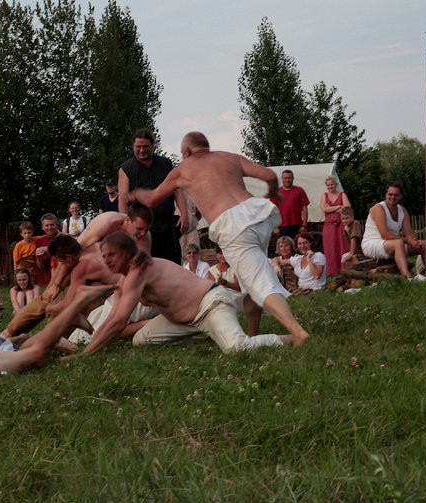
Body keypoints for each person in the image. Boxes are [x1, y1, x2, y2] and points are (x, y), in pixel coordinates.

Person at [129, 131, 309, 345]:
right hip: (258, 216)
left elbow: (152, 199)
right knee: (249, 282)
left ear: (187, 151)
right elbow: (270, 176)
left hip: (234, 226)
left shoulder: (183, 169)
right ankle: (253, 333)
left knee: (260, 283)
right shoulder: (229, 157)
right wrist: (272, 193)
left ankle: (298, 333)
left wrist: (135, 194)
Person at [84, 232, 291, 355]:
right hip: (184, 321)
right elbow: (113, 317)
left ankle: (290, 339)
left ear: (126, 252)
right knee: (141, 339)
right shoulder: (126, 278)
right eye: (104, 256)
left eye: (111, 255)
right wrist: (90, 346)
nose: (107, 260)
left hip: (210, 304)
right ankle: (206, 339)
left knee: (237, 348)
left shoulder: (139, 269)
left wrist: (87, 354)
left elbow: (119, 321)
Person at [0, 206, 154, 339]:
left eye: (146, 230)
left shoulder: (144, 240)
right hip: (76, 261)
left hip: (100, 276)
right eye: (139, 229)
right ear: (127, 220)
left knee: (82, 305)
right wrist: (57, 284)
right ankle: (9, 332)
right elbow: (74, 250)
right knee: (48, 297)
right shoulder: (107, 222)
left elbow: (137, 274)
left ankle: (58, 337)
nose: (142, 233)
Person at [118, 128, 188, 264]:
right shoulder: (126, 169)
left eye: (145, 146)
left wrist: (184, 213)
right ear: (133, 146)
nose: (142, 150)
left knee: (171, 264)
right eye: (138, 147)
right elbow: (123, 200)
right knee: (144, 265)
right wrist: (125, 226)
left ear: (152, 146)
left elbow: (177, 190)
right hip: (141, 229)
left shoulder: (166, 164)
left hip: (167, 225)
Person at [361, 183, 426, 278]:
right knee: (398, 243)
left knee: (424, 245)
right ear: (386, 195)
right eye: (390, 194)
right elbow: (385, 235)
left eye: (396, 195)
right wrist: (408, 240)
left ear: (400, 196)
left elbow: (408, 232)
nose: (392, 197)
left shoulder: (402, 210)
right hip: (372, 244)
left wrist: (414, 241)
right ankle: (408, 277)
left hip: (393, 244)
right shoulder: (378, 208)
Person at [319, 176, 350, 276]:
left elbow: (347, 208)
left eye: (332, 184)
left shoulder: (342, 194)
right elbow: (324, 209)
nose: (330, 186)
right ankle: (332, 272)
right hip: (328, 227)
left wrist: (331, 208)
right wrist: (338, 207)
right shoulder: (324, 195)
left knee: (343, 247)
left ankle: (345, 269)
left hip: (340, 225)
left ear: (336, 185)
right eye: (328, 185)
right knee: (330, 249)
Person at [271, 169, 310, 239]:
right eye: (285, 178)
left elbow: (304, 208)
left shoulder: (299, 190)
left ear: (293, 178)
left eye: (289, 178)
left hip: (297, 226)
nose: (287, 180)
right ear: (282, 179)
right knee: (284, 245)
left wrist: (304, 225)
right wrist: (275, 226)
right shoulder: (276, 192)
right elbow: (272, 210)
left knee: (298, 245)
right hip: (281, 227)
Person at [34, 213, 60, 286]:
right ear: (42, 227)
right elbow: (41, 268)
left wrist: (48, 249)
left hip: (62, 277)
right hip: (46, 281)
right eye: (47, 225)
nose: (49, 228)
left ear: (56, 225)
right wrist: (38, 257)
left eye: (52, 225)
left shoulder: (63, 238)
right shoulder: (40, 241)